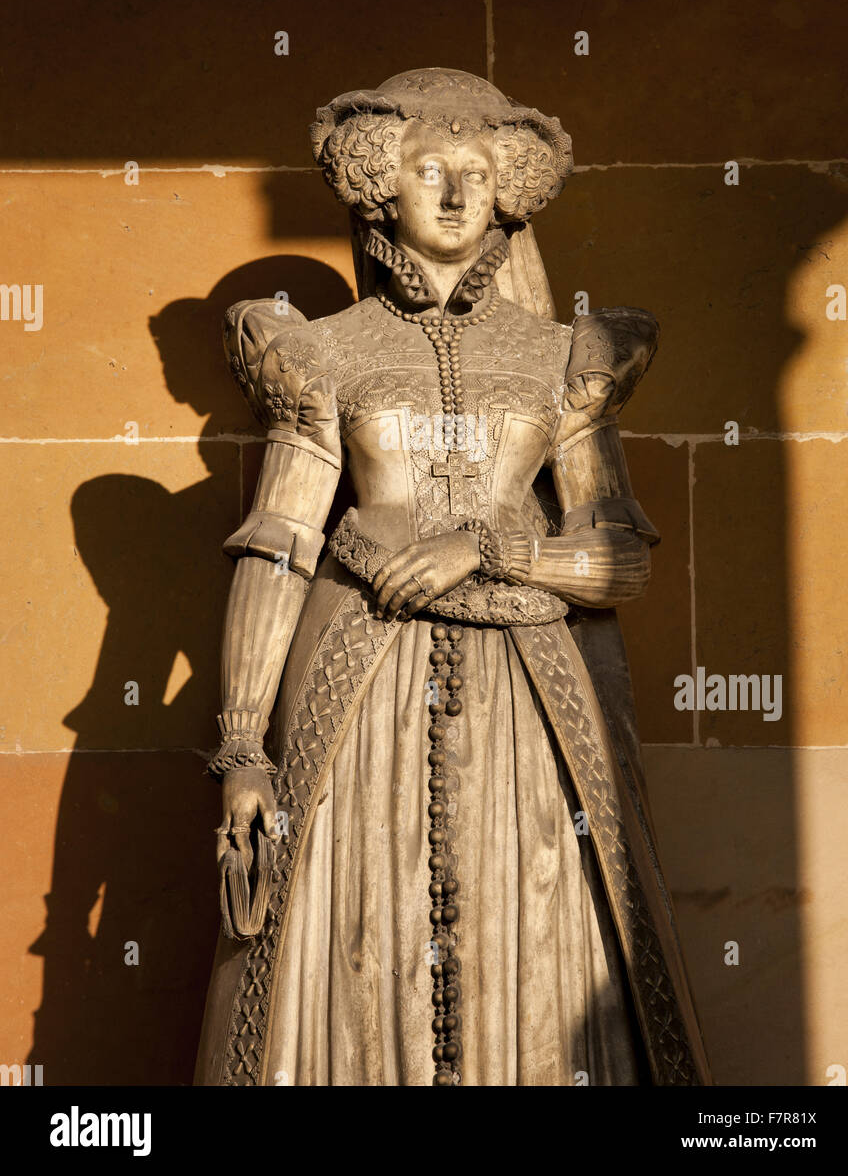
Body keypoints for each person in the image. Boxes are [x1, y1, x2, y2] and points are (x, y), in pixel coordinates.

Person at [195, 67, 710, 1087]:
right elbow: (281, 542)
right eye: (430, 169)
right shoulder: (324, 354)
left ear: (507, 189)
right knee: (355, 922)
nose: (453, 194)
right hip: (357, 682)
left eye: (477, 174)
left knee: (541, 912)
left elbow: (619, 560)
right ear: (380, 184)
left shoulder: (564, 354)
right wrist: (242, 748)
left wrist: (496, 546)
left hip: (532, 695)